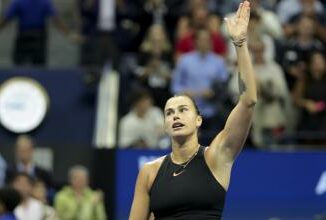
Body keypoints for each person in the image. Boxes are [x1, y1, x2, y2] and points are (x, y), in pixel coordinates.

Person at [129, 1, 257, 219]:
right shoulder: (149, 172)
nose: (175, 115)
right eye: (169, 113)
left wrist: (240, 42)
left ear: (198, 120)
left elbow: (248, 101)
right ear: (166, 125)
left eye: (182, 110)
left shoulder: (217, 156)